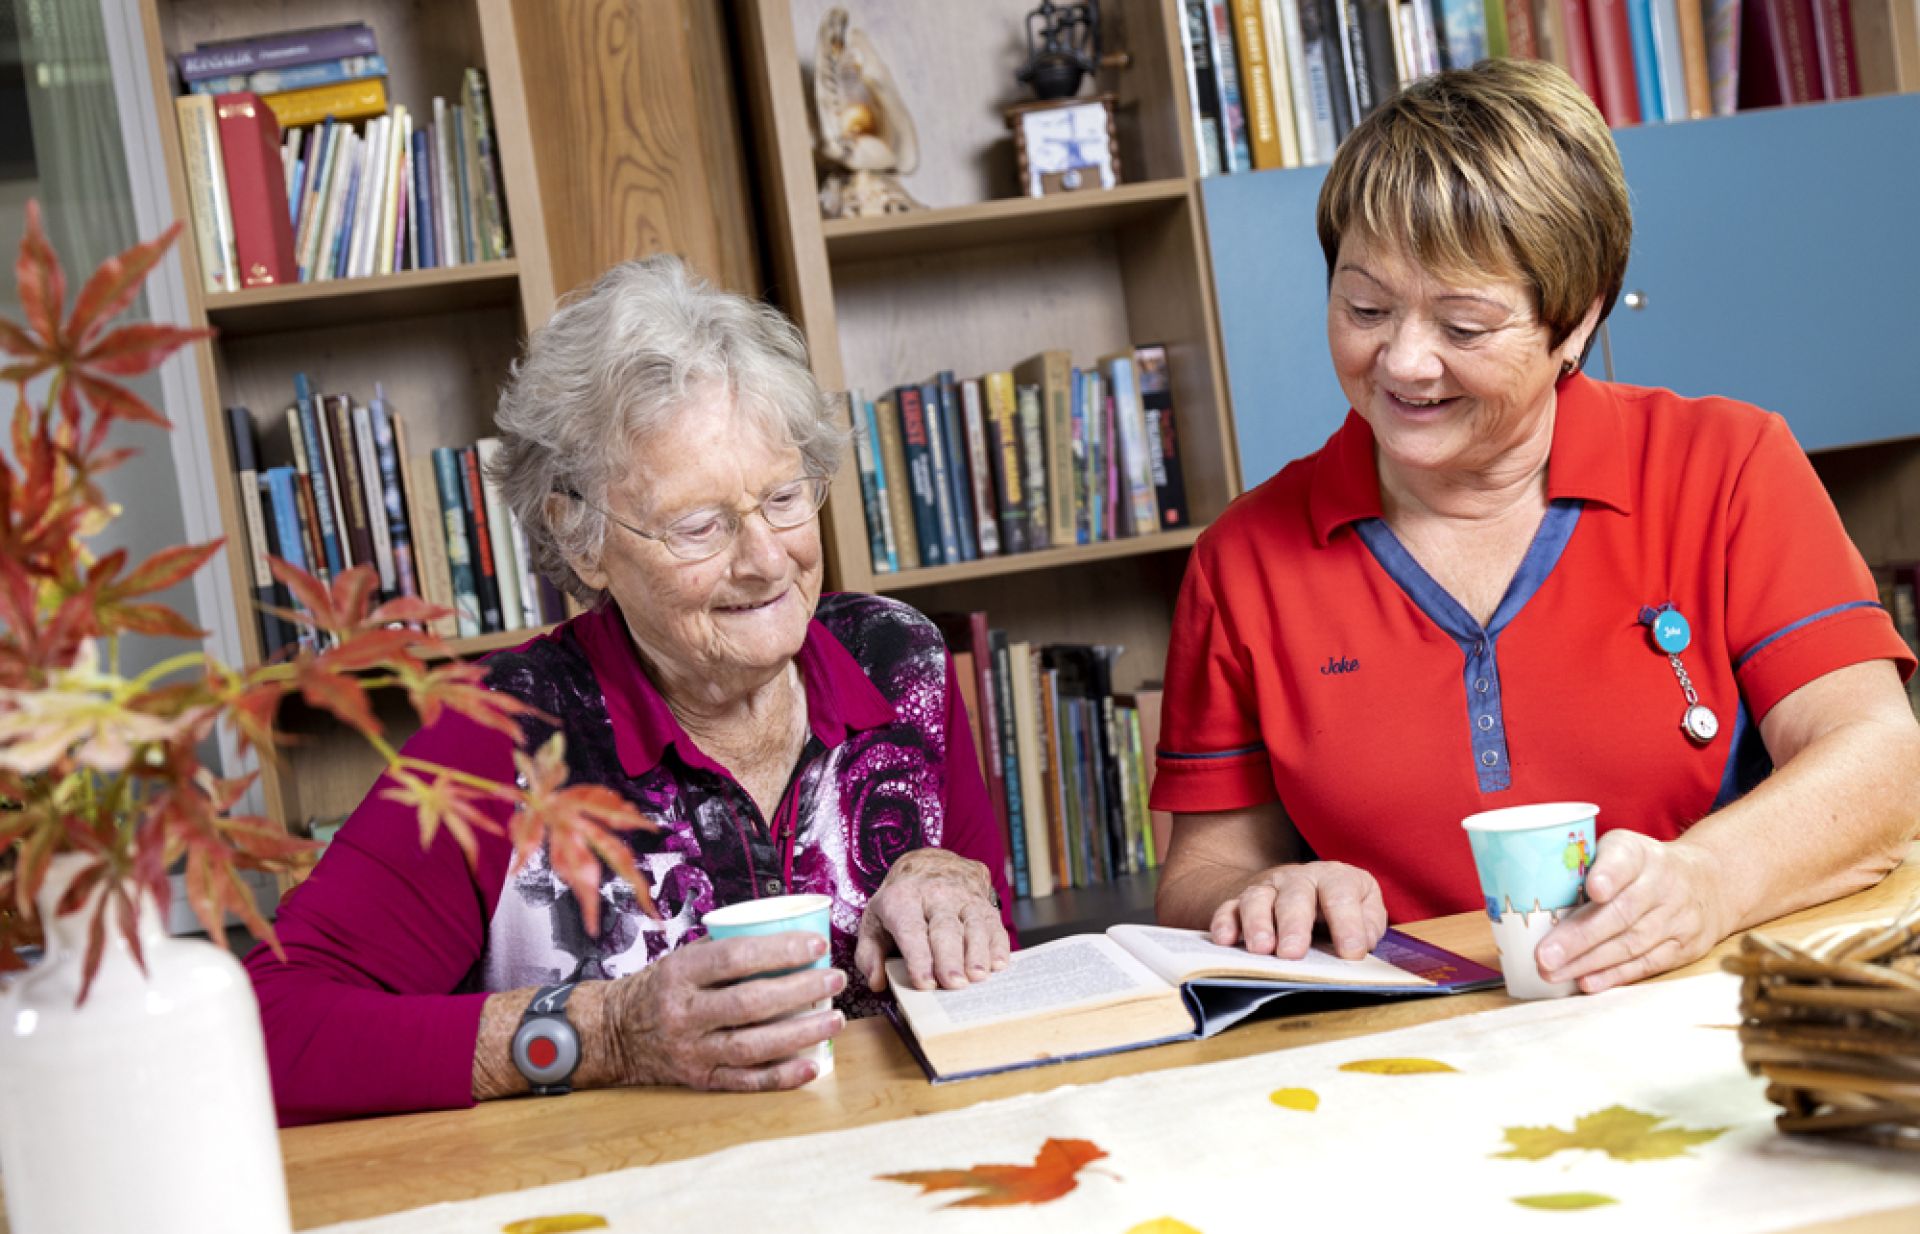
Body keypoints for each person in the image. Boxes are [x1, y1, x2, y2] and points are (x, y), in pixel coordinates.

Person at [1150, 59, 1920, 996]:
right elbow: (1200, 873)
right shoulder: (1243, 560)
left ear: (1576, 319)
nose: (1403, 361)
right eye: (1364, 307)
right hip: (1414, 1051)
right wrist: (1265, 893)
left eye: (1464, 326)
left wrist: (1709, 882)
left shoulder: (1727, 465)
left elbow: (1880, 759)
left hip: (1718, 1002)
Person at [246, 256, 1012, 1125]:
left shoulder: (897, 661)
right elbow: (270, 1031)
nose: (764, 559)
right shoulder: (502, 738)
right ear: (583, 543)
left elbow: (992, 970)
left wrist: (955, 887)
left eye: (786, 498)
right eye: (700, 526)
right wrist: (607, 1033)